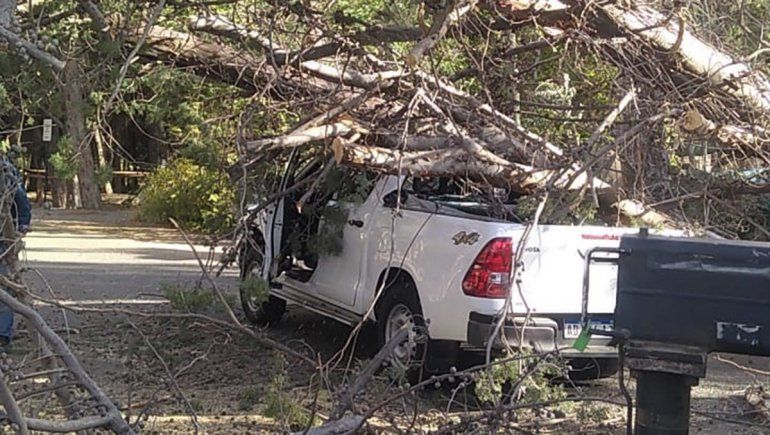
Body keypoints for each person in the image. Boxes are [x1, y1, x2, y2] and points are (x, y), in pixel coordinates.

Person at [0, 155, 31, 347]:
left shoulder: (5, 169)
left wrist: (20, 228)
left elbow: (21, 200)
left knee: (5, 284)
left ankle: (2, 334)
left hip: (3, 237)